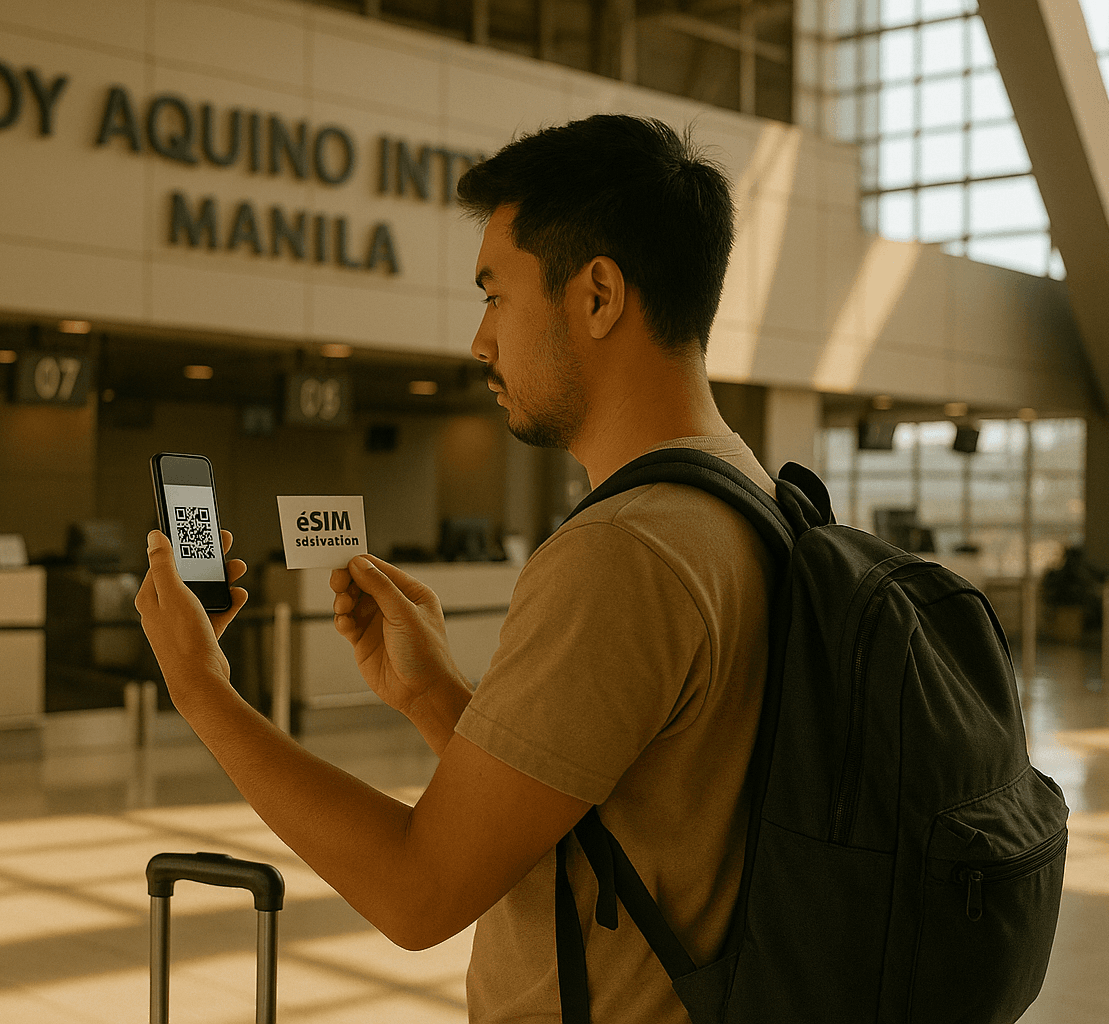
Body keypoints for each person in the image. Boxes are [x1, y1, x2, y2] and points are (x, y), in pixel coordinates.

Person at [136, 114, 774, 1024]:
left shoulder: (626, 551)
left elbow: (418, 891)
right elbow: (610, 819)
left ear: (598, 295)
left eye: (494, 296)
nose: (480, 341)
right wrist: (435, 695)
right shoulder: (747, 497)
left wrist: (202, 690)